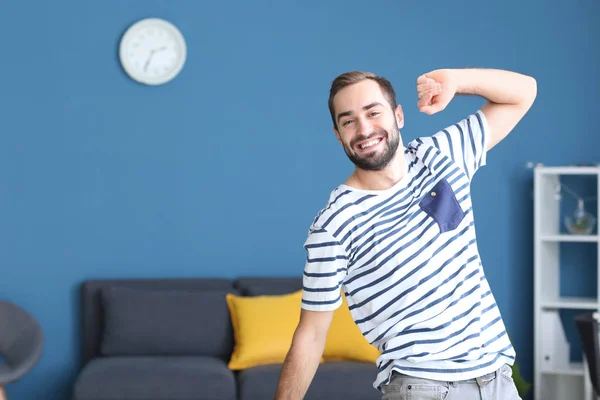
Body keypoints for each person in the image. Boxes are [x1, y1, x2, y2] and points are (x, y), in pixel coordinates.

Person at [274, 68, 537, 400]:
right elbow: (311, 335)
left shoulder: (440, 156)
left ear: (398, 115)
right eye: (348, 121)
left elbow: (524, 92)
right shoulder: (334, 224)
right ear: (338, 135)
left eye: (373, 112)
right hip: (424, 388)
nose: (364, 128)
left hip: (497, 381)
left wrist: (456, 82)